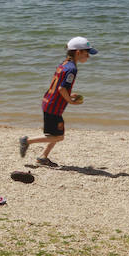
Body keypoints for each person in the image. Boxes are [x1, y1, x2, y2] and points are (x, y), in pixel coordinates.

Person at [21, 37, 96, 167]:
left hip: (49, 102)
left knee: (55, 134)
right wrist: (70, 101)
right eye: (87, 53)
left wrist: (69, 94)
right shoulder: (72, 69)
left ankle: (43, 157)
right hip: (54, 107)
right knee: (59, 137)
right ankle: (27, 141)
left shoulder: (64, 64)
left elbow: (60, 87)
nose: (88, 56)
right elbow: (61, 88)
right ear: (78, 52)